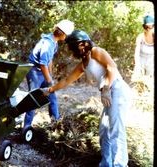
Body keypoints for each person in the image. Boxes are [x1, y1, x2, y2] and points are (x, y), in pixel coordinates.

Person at [43, 30, 132, 167]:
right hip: (108, 93)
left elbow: (111, 67)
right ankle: (106, 164)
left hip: (117, 90)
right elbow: (67, 80)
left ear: (82, 44)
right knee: (104, 130)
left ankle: (120, 164)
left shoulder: (96, 51)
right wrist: (50, 90)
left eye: (72, 46)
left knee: (116, 130)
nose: (71, 50)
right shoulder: (84, 63)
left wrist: (106, 88)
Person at [24, 19, 75, 128]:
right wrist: (48, 80)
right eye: (66, 35)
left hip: (43, 71)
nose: (66, 37)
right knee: (33, 99)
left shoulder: (54, 42)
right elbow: (43, 64)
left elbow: (49, 60)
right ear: (62, 33)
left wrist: (50, 76)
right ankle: (26, 127)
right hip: (34, 71)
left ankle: (56, 123)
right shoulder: (47, 43)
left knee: (52, 96)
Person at [131, 15, 154, 83]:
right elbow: (137, 52)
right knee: (138, 80)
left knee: (150, 81)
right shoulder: (140, 37)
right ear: (144, 27)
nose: (148, 29)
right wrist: (138, 66)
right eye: (146, 27)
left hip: (151, 60)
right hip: (141, 59)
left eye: (151, 26)